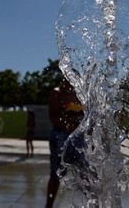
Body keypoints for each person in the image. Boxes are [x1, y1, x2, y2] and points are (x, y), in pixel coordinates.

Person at [46, 78, 84, 208]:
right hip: (60, 136)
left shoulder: (78, 92)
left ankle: (94, 203)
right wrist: (67, 125)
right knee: (56, 173)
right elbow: (53, 117)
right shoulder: (56, 92)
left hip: (77, 137)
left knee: (86, 173)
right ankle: (49, 205)